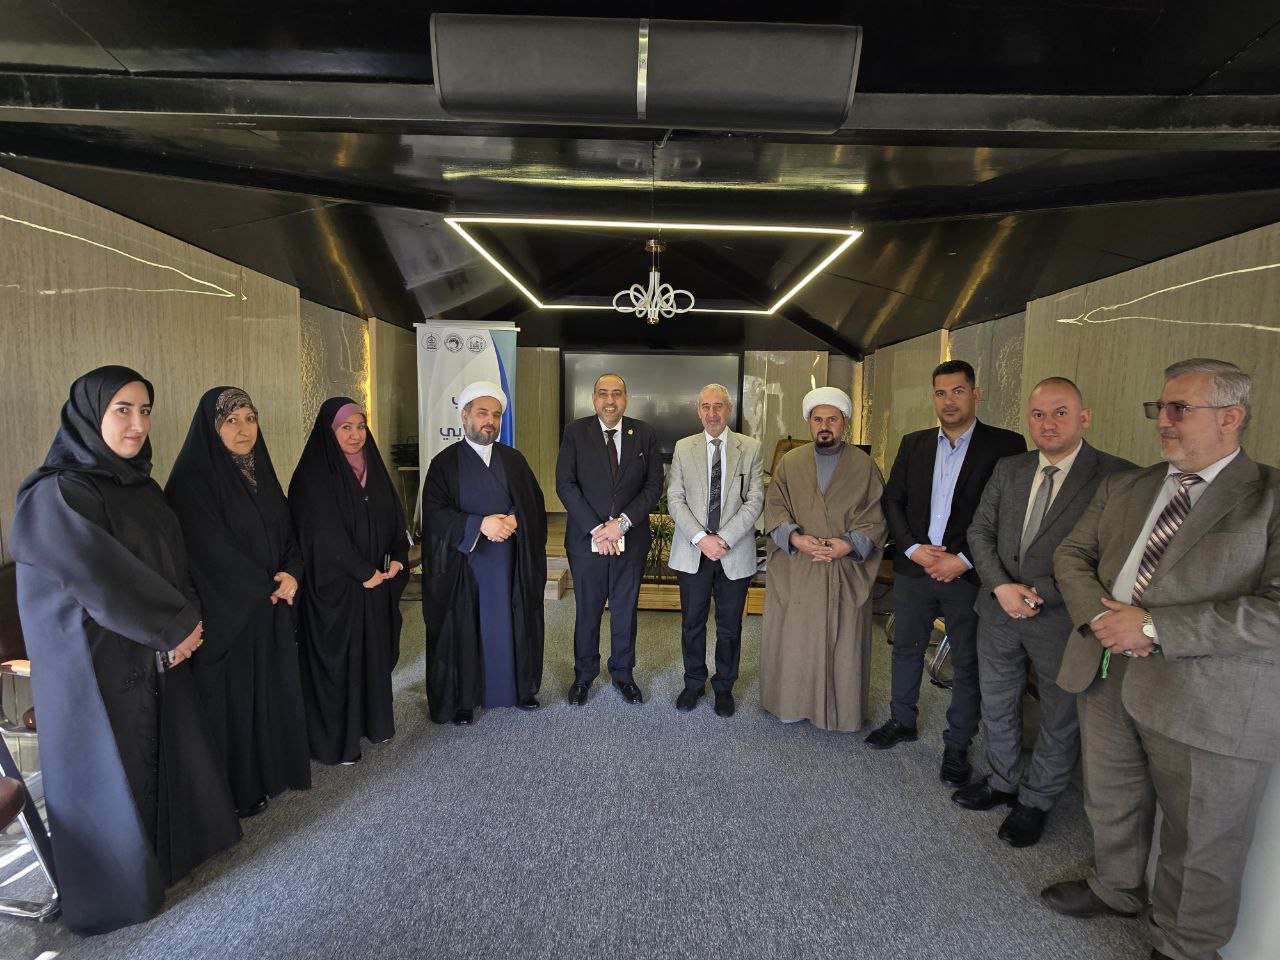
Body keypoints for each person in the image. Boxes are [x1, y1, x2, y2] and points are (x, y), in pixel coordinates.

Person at [1044, 359, 1280, 960]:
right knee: (1110, 797)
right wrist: (1102, 620)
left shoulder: (1270, 498)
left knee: (1203, 834)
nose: (1163, 421)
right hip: (1108, 669)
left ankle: (1185, 945)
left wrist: (1153, 626)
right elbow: (1072, 555)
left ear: (1231, 417)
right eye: (1160, 407)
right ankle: (1116, 887)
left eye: (1180, 409)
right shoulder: (1128, 486)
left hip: (1208, 693)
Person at [9, 366, 240, 934]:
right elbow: (102, 579)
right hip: (91, 662)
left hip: (149, 647)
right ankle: (117, 892)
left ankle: (166, 860)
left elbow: (173, 562)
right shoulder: (57, 493)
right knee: (112, 770)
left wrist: (186, 622)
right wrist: (175, 629)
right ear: (89, 415)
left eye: (145, 411)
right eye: (122, 410)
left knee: (160, 749)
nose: (137, 424)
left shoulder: (138, 486)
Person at [958, 378, 1133, 847]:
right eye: (1038, 414)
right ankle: (1002, 780)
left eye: (1060, 413)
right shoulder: (1010, 468)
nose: (1048, 423)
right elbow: (980, 531)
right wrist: (1001, 587)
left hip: (1063, 620)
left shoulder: (1116, 476)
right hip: (998, 609)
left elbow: (1110, 558)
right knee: (997, 700)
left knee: (1060, 712)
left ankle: (1036, 800)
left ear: (1084, 418)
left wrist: (1040, 593)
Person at [868, 359, 1025, 787]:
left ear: (976, 394)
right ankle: (902, 720)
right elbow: (893, 500)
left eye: (958, 391)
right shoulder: (914, 443)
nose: (949, 400)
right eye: (941, 392)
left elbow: (1008, 513)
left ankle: (957, 744)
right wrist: (913, 548)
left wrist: (965, 559)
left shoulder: (1006, 445)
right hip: (915, 568)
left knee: (967, 662)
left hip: (967, 574)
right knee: (905, 648)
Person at [165, 386, 311, 816]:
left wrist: (292, 572)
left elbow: (288, 532)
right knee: (233, 702)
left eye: (250, 418)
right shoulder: (191, 482)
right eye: (230, 420)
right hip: (227, 616)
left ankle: (272, 774)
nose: (243, 429)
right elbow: (211, 553)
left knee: (270, 692)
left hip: (269, 607)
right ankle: (235, 792)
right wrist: (267, 586)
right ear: (212, 428)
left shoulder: (260, 472)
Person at [759, 387, 887, 731]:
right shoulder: (790, 463)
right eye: (818, 419)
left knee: (842, 641)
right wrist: (796, 539)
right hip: (799, 567)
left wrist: (847, 545)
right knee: (795, 638)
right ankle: (790, 704)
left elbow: (876, 516)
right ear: (809, 422)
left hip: (844, 568)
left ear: (844, 422)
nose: (824, 426)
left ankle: (840, 713)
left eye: (832, 419)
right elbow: (774, 507)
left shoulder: (864, 466)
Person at [421, 381, 548, 725]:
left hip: (511, 563)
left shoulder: (514, 460)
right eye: (482, 413)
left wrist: (516, 519)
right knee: (466, 626)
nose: (490, 421)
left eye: (495, 414)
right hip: (466, 566)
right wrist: (479, 524)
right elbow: (435, 514)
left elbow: (533, 502)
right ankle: (465, 698)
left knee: (514, 620)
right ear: (464, 416)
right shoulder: (444, 464)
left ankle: (520, 689)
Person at [289, 397, 408, 765]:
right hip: (337, 591)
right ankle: (337, 741)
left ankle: (374, 723)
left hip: (375, 585)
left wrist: (398, 557)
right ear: (330, 431)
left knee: (372, 656)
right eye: (346, 427)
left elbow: (395, 518)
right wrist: (362, 571)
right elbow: (322, 535)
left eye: (360, 426)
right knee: (340, 664)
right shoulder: (313, 475)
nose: (356, 435)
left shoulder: (373, 467)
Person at [555, 373, 663, 705]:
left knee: (624, 610)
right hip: (586, 541)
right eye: (603, 393)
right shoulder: (575, 432)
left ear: (626, 399)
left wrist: (622, 524)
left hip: (630, 540)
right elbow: (565, 484)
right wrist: (598, 529)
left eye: (617, 393)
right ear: (594, 398)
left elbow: (653, 487)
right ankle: (584, 675)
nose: (610, 400)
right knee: (588, 610)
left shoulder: (644, 433)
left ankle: (623, 674)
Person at [666, 383, 764, 717]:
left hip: (733, 551)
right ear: (698, 411)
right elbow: (675, 498)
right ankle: (693, 683)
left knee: (729, 626)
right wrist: (701, 538)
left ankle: (724, 686)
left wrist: (723, 539)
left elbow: (755, 500)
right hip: (693, 550)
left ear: (729, 409)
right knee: (692, 623)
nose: (712, 413)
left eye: (718, 406)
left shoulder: (750, 448)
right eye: (706, 407)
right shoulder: (683, 448)